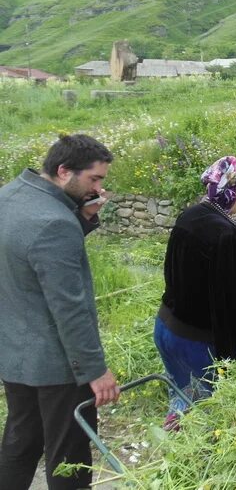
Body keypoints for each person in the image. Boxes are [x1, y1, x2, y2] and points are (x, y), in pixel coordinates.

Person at [0, 134, 121, 490]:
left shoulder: (10, 196)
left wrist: (81, 219)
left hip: (14, 351)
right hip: (58, 365)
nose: (98, 187)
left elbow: (31, 258)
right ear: (64, 170)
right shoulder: (55, 223)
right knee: (70, 457)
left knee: (21, 440)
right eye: (94, 179)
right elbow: (70, 308)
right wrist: (95, 371)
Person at [154, 156, 236, 429]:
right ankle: (197, 459)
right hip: (196, 343)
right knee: (207, 413)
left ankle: (173, 436)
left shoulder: (191, 216)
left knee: (182, 395)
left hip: (167, 329)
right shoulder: (222, 232)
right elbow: (226, 286)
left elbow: (215, 263)